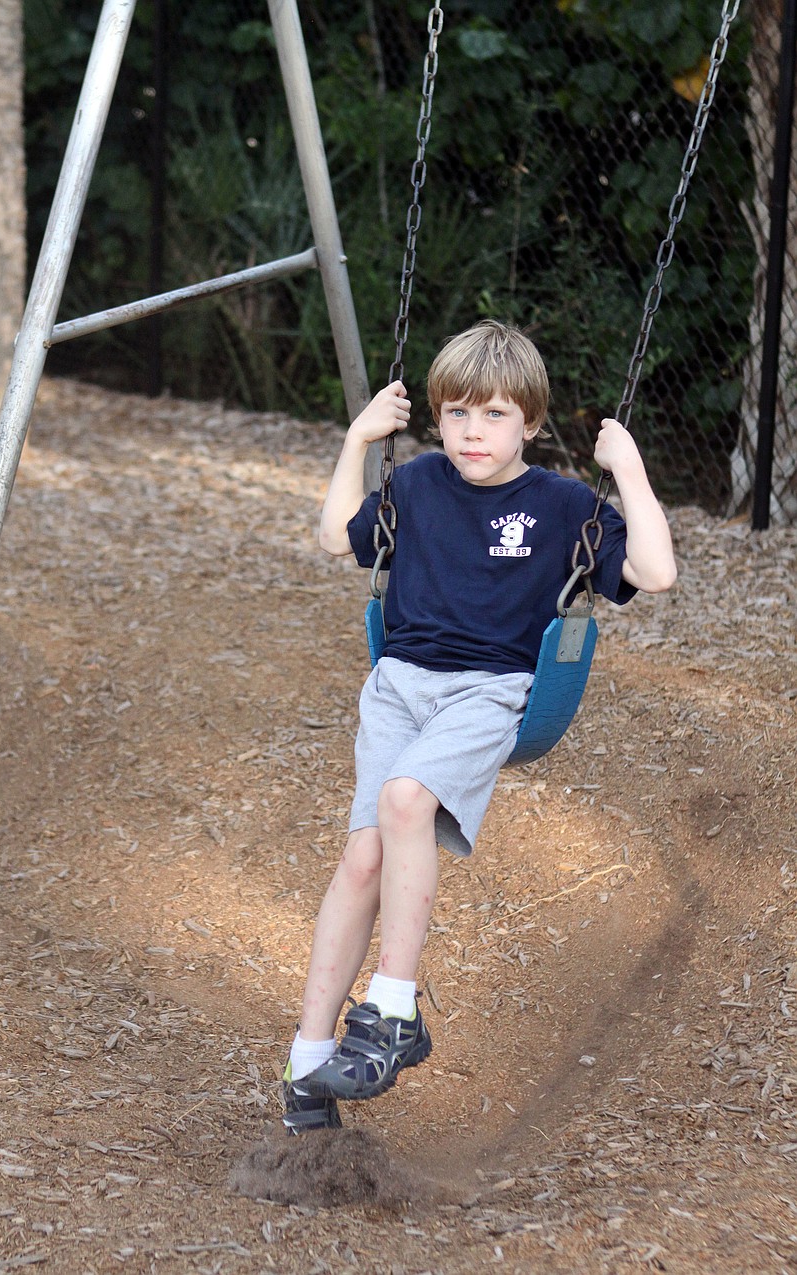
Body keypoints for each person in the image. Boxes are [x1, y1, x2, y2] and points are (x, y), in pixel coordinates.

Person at [281, 320, 677, 1134]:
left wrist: (628, 469)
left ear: (529, 421)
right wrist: (359, 436)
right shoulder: (419, 482)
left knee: (402, 800)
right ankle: (308, 1060)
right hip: (398, 685)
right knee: (361, 858)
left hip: (492, 690)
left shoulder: (563, 504)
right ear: (437, 415)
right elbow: (334, 536)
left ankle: (391, 1007)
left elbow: (655, 572)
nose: (472, 431)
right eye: (457, 411)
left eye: (494, 414)